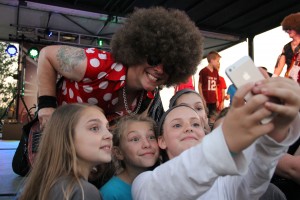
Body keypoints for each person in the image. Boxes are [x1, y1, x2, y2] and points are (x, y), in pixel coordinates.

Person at [132, 77, 300, 200]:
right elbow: (166, 188)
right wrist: (225, 142)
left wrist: (274, 136)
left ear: (205, 134)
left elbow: (255, 181)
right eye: (177, 125)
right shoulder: (144, 182)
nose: (188, 128)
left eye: (196, 124)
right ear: (161, 141)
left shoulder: (225, 181)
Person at [36, 7, 203, 129]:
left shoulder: (148, 97)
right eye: (154, 59)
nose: (159, 70)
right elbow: (47, 55)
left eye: (169, 66)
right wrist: (46, 106)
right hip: (54, 134)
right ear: (137, 50)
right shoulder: (99, 64)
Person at [18, 103, 113, 200]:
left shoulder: (37, 186)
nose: (109, 135)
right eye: (94, 128)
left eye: (107, 128)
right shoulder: (83, 192)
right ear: (67, 137)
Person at [100, 115, 159, 200]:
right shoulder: (110, 193)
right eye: (135, 139)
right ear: (118, 152)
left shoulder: (165, 179)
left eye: (151, 137)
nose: (147, 144)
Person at [273, 12, 300, 83]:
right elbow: (279, 66)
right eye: (287, 28)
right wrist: (272, 80)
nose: (288, 30)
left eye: (291, 28)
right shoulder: (286, 47)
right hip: (291, 81)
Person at [198, 51, 220, 123]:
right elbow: (200, 85)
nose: (218, 63)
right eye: (217, 61)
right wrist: (202, 98)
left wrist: (217, 99)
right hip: (206, 100)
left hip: (213, 99)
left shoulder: (216, 72)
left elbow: (216, 86)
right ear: (212, 61)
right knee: (205, 117)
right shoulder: (203, 71)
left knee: (213, 117)